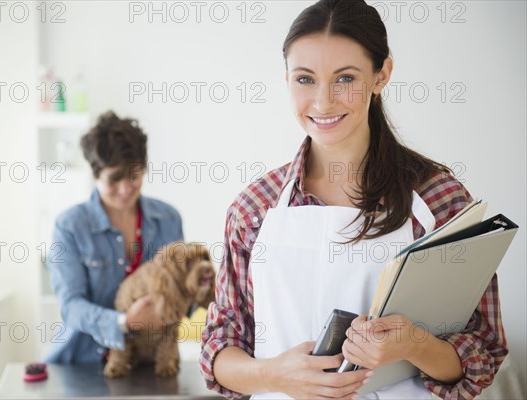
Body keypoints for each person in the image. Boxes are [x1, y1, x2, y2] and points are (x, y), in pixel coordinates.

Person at [199, 1, 507, 399]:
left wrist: (413, 344)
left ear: (382, 75)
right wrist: (275, 376)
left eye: (345, 78)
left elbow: (481, 354)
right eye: (305, 79)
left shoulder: (439, 200)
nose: (323, 102)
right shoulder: (254, 207)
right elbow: (221, 344)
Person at [44, 110, 184, 363]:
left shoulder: (168, 220)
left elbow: (183, 287)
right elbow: (71, 306)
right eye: (114, 179)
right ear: (96, 174)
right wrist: (125, 322)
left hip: (148, 364)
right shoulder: (69, 227)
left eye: (134, 176)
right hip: (83, 363)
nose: (124, 188)